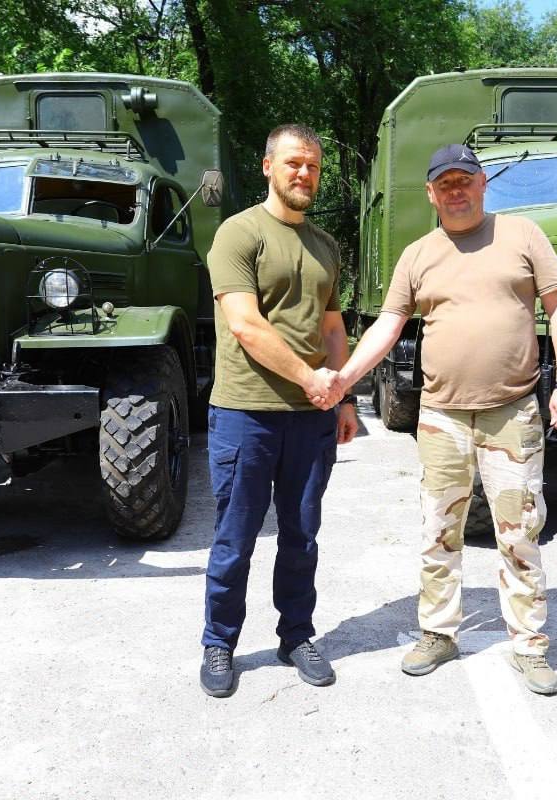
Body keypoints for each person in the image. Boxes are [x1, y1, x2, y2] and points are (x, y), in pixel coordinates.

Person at [337, 143, 557, 695]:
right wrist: (345, 377)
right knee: (439, 530)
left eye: (464, 180)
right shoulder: (418, 254)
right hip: (441, 416)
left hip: (511, 411)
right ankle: (439, 633)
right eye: (444, 182)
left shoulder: (521, 236)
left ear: (482, 183)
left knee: (519, 531)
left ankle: (529, 645)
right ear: (430, 192)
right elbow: (388, 324)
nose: (455, 190)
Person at [199, 123, 359, 698]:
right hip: (248, 413)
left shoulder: (324, 245)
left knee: (301, 535)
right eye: (294, 163)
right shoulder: (237, 234)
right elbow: (245, 324)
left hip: (312, 416)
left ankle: (296, 636)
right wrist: (311, 379)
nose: (304, 174)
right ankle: (219, 644)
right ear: (268, 166)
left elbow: (333, 324)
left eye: (314, 166)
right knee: (234, 538)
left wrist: (342, 394)